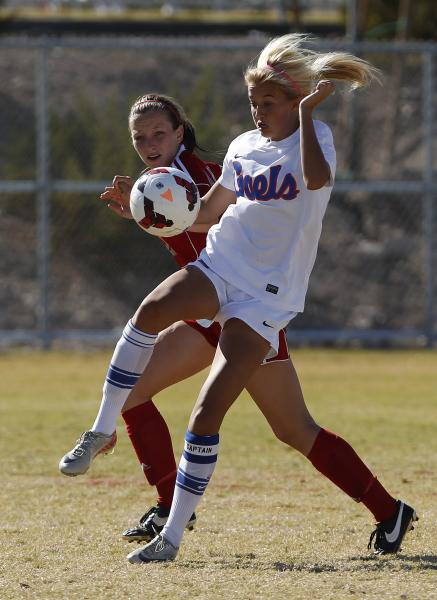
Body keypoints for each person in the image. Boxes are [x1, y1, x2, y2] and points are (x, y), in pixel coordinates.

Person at [115, 35, 417, 564]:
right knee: (289, 428)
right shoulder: (241, 148)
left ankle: (174, 528)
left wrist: (303, 112)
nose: (257, 113)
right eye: (253, 103)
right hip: (221, 296)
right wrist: (143, 214)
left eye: (268, 103)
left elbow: (317, 178)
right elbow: (199, 220)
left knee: (243, 420)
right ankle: (388, 511)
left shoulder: (310, 137)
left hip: (261, 303)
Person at [58, 92, 291, 541]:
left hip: (238, 309)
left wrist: (154, 211)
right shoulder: (163, 176)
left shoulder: (196, 174)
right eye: (139, 137)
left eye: (159, 133)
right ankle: (166, 505)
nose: (149, 143)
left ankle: (387, 508)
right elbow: (185, 228)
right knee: (134, 393)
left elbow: (211, 226)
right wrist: (142, 212)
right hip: (211, 313)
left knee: (294, 429)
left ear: (180, 132)